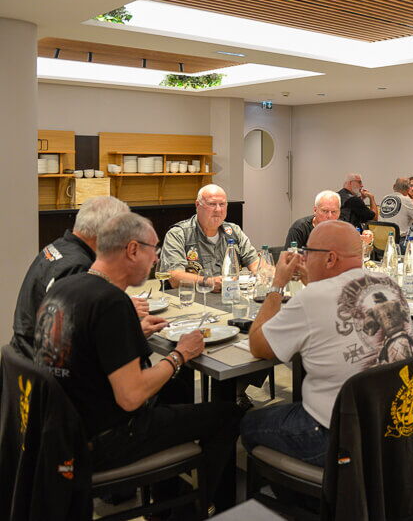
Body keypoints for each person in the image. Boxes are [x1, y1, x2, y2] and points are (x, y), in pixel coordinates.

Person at [34, 212, 242, 511]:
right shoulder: (112, 302)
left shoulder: (65, 286)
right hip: (100, 440)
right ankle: (196, 511)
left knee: (176, 389)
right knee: (229, 414)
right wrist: (180, 354)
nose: (156, 260)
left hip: (59, 431)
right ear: (132, 250)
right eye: (153, 250)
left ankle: (168, 504)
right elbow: (131, 397)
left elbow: (87, 348)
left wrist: (131, 333)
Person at [241, 220, 413, 466]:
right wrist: (314, 282)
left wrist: (277, 285)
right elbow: (338, 301)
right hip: (396, 426)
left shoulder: (311, 298)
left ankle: (294, 488)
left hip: (337, 436)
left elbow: (259, 347)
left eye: (308, 252)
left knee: (249, 422)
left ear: (330, 258)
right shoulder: (388, 284)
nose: (304, 258)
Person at [10, 196, 163, 360]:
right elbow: (80, 344)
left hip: (24, 354)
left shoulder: (59, 247)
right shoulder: (78, 268)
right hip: (42, 363)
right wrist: (135, 331)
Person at [162, 184, 259, 292]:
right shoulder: (178, 234)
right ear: (198, 205)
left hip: (229, 296)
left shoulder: (234, 231)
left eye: (222, 204)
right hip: (190, 298)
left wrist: (266, 273)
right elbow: (174, 277)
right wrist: (208, 282)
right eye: (212, 204)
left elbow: (255, 264)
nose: (218, 209)